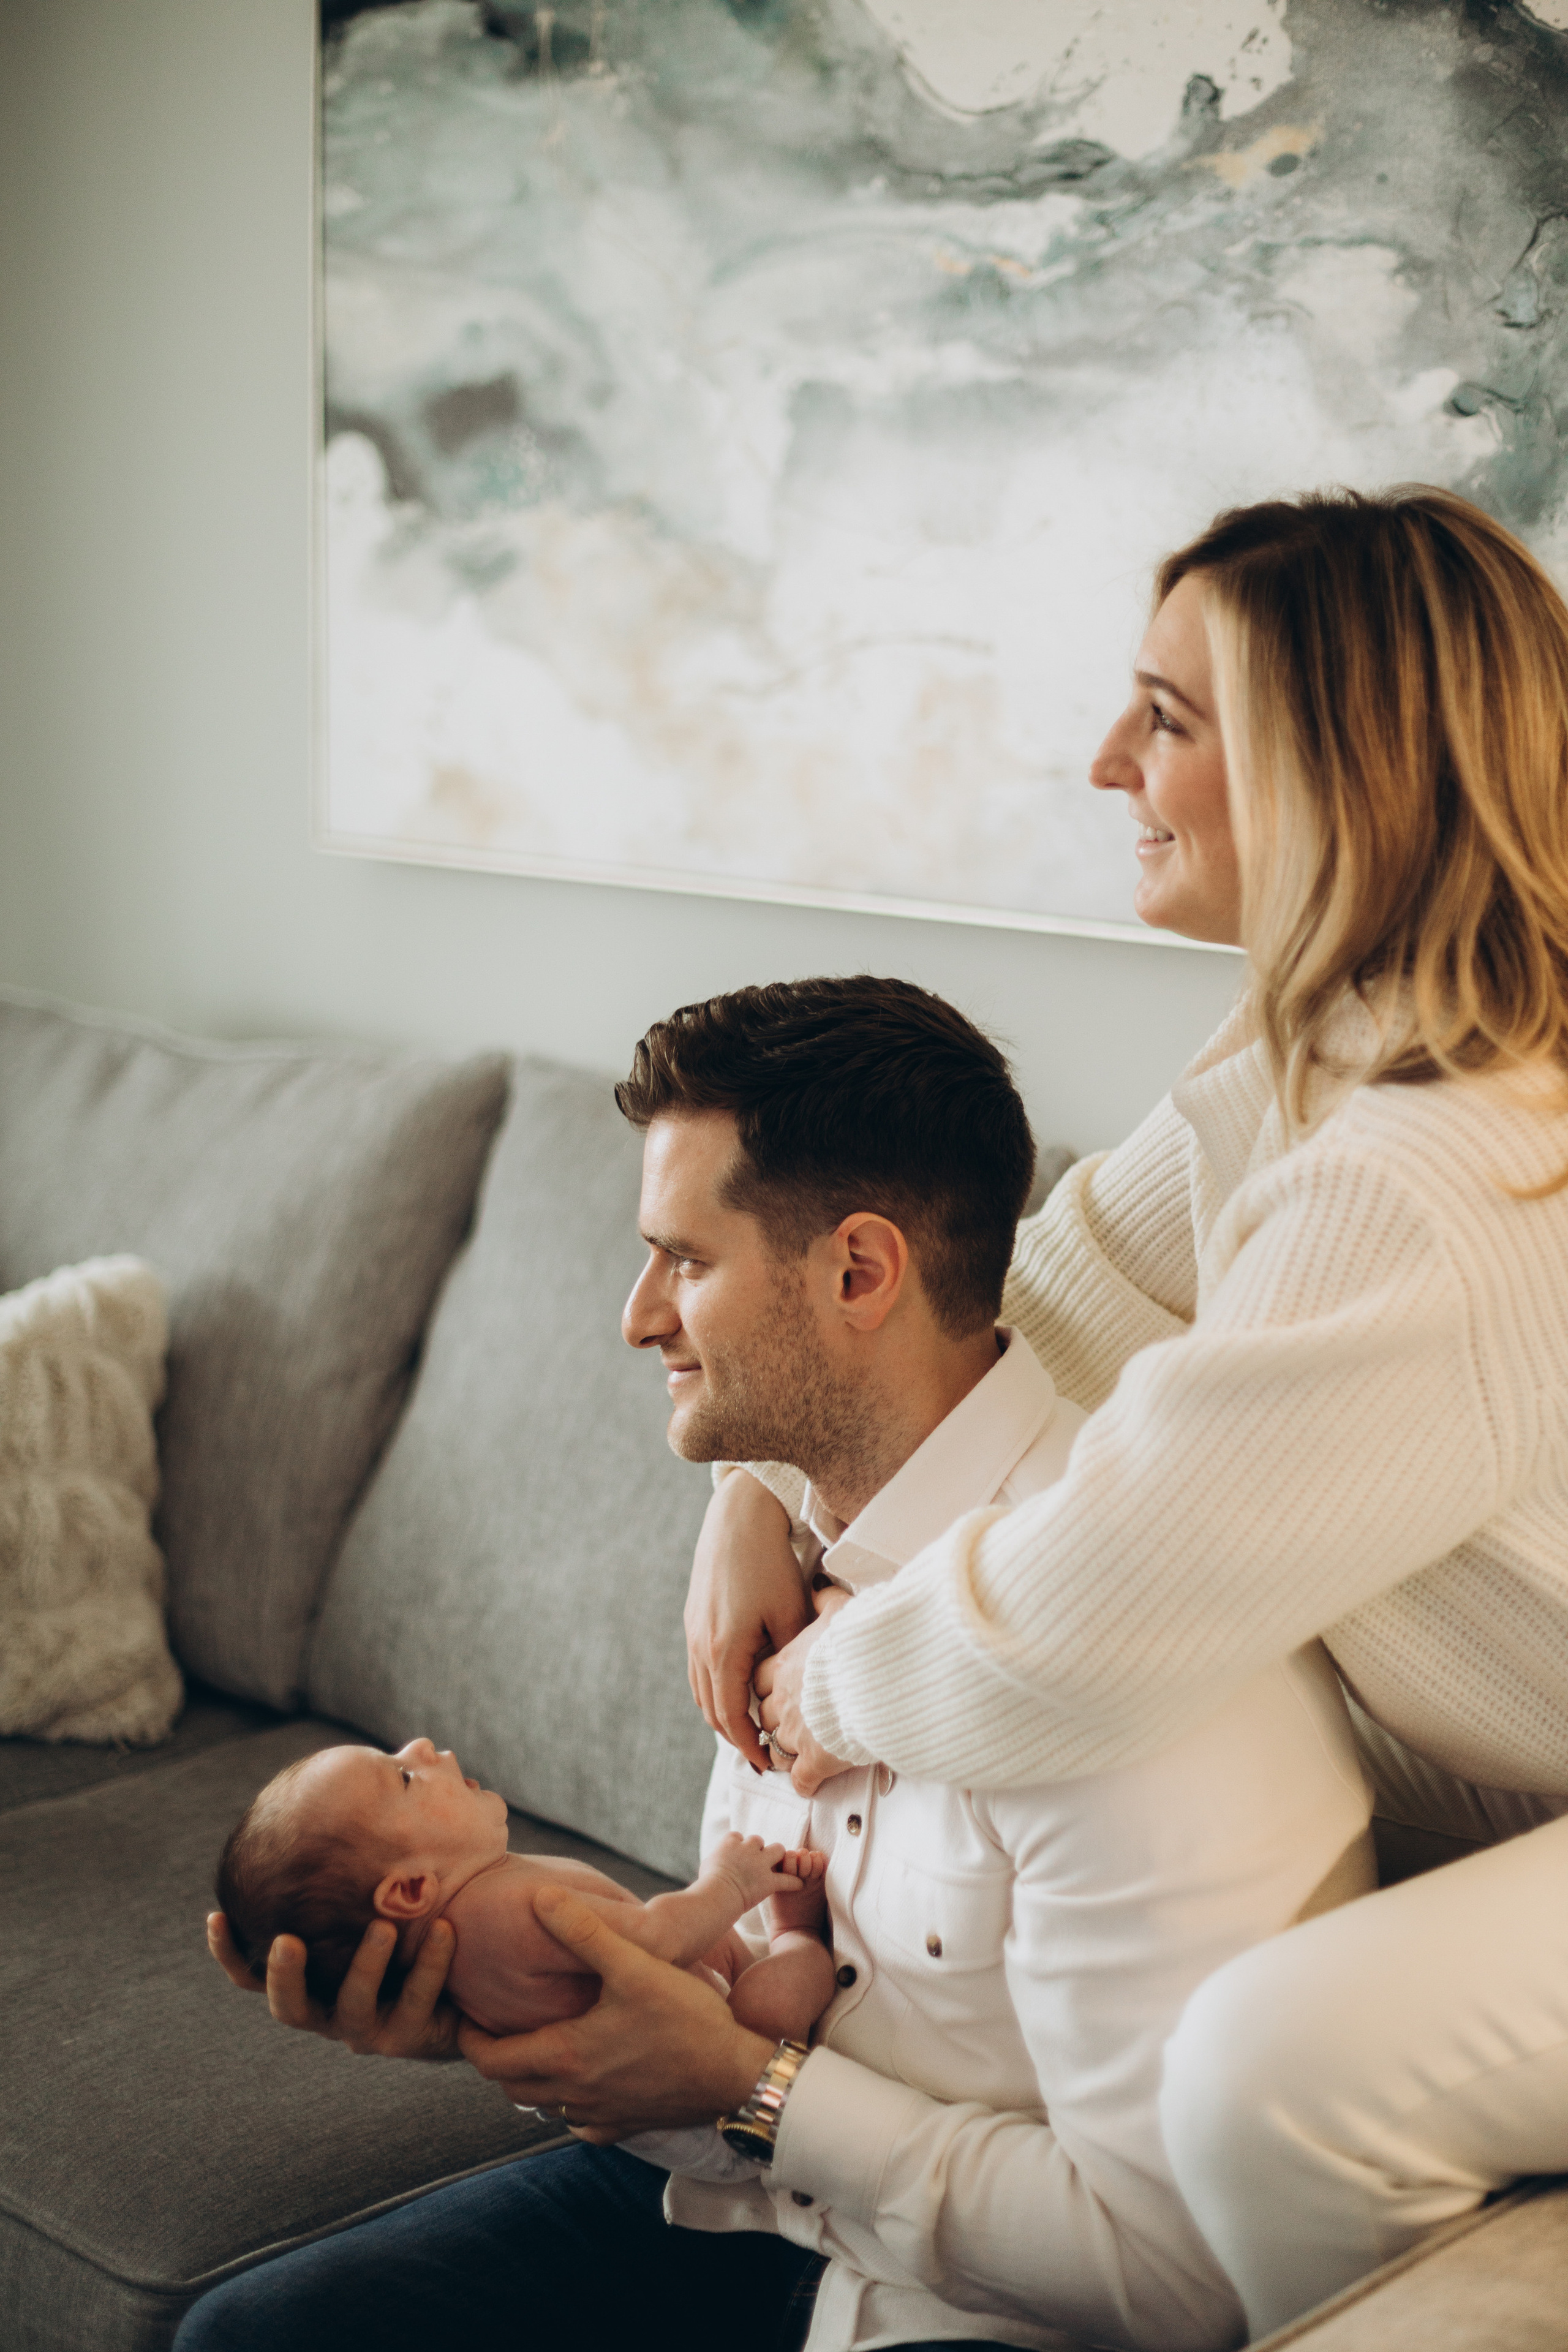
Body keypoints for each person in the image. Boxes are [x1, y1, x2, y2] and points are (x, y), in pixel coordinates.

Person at [186, 974, 1372, 2352]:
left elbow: (1179, 2280)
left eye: (683, 1261)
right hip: (744, 2210)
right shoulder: (780, 1563)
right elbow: (709, 2031)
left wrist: (754, 2089)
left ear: (858, 1273)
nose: (636, 1318)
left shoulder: (1124, 1657)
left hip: (991, 2305)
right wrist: (513, 2017)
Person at [691, 488, 1568, 2338]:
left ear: (1344, 766)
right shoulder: (1300, 1064)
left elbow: (1074, 1624)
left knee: (1276, 2064)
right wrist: (760, 1491)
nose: (1105, 762)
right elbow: (1042, 1298)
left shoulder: (1427, 1177)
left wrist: (808, 1692)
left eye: (1163, 716)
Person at [215, 1736, 832, 2046]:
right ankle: (798, 1938)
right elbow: (654, 1940)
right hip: (724, 2052)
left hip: (682, 2039)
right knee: (766, 2013)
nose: (423, 1747)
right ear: (409, 1888)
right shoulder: (500, 1914)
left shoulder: (472, 1922)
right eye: (403, 1775)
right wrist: (728, 1883)